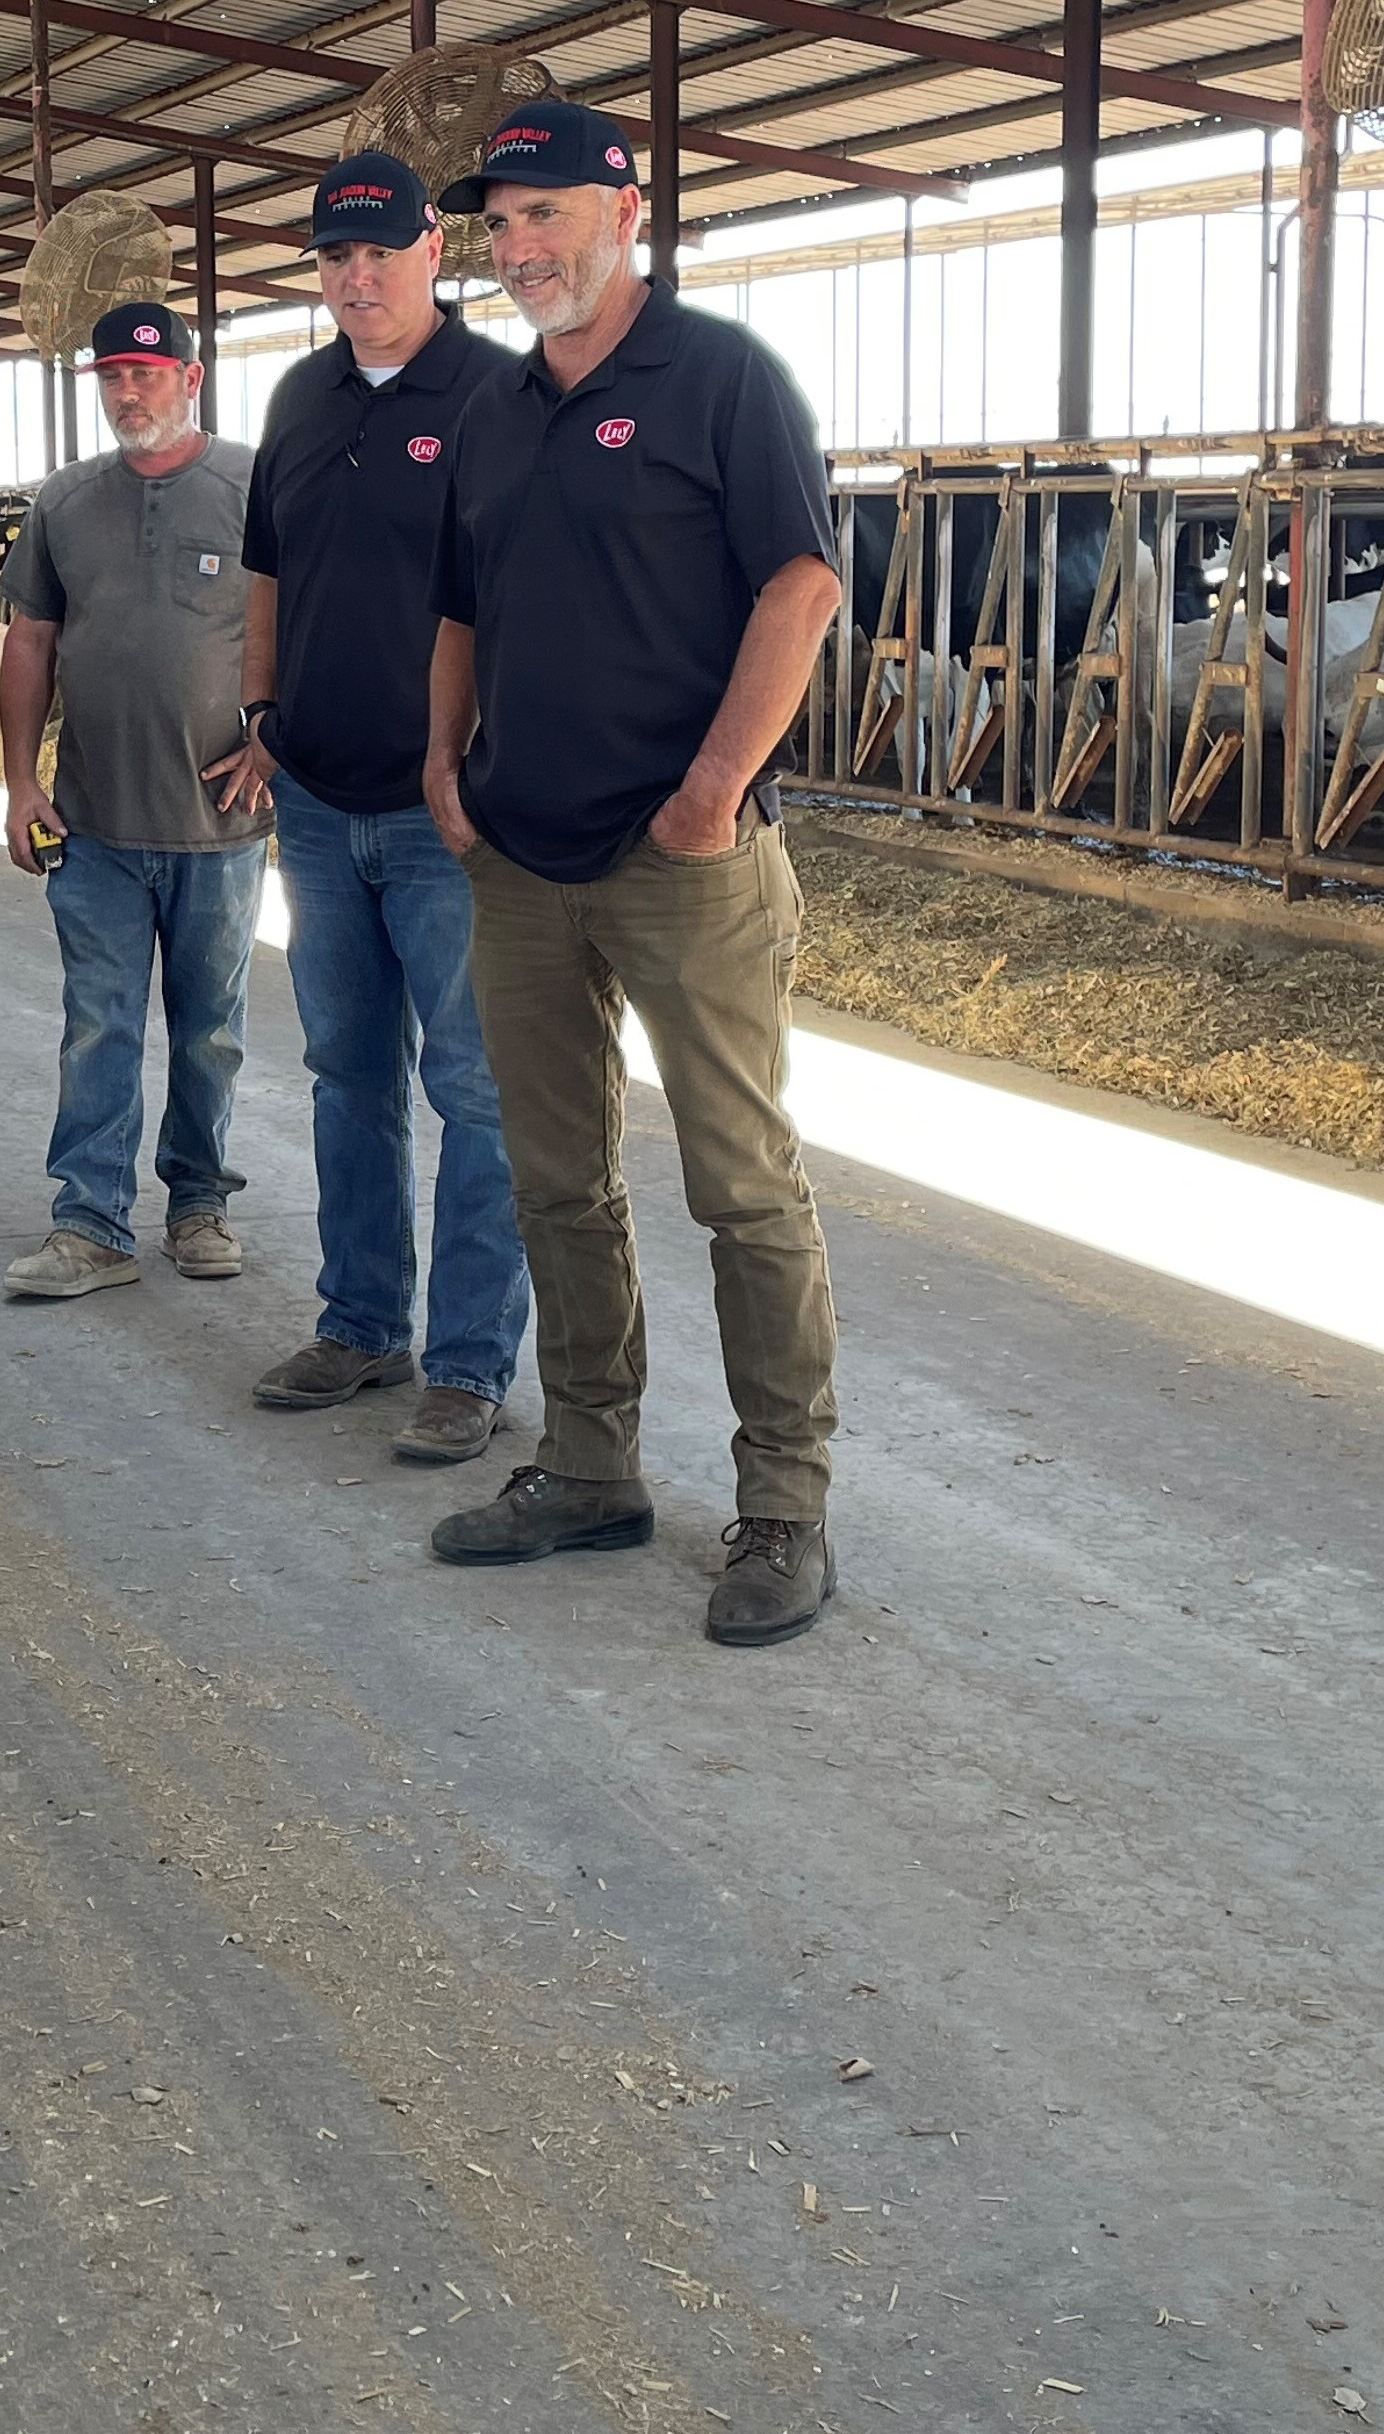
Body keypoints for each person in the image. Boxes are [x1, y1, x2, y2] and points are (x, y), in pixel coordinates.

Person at [415, 100, 849, 1649]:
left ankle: (783, 1506)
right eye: (498, 225)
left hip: (684, 859)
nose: (516, 248)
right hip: (518, 861)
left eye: (542, 216)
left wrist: (713, 790)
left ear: (625, 211)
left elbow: (798, 585)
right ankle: (588, 1464)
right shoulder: (492, 410)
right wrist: (437, 761)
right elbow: (459, 604)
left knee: (738, 1186)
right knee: (554, 1179)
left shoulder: (720, 379)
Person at [214, 152, 530, 1468]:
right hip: (317, 803)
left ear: (433, 255)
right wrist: (258, 718)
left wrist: (485, 764)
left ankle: (463, 1366)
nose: (354, 280)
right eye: (332, 259)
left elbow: (528, 590)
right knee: (345, 1073)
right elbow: (266, 571)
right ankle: (358, 1325)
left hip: (440, 817)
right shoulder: (298, 393)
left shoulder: (498, 398)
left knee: (472, 1086)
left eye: (378, 253)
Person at [0, 303, 264, 1299]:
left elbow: (304, 618)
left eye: (146, 374)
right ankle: (91, 1224)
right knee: (98, 1023)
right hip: (92, 820)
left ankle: (197, 1207)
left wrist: (274, 741)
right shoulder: (64, 500)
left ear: (189, 380)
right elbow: (28, 639)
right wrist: (20, 780)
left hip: (219, 825)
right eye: (109, 375)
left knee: (209, 1028)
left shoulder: (249, 485)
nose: (126, 391)